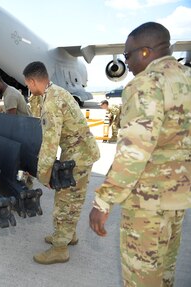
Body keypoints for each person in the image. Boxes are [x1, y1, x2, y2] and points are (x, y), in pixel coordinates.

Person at [89, 22, 191, 286]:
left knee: (142, 278)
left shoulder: (145, 84)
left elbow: (133, 153)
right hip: (178, 201)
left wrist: (103, 202)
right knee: (165, 273)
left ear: (145, 52)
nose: (128, 64)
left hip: (148, 205)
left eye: (128, 56)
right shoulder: (186, 79)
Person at [23, 61, 100, 264]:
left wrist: (43, 174)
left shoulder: (51, 103)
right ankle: (68, 235)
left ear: (32, 81)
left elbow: (50, 143)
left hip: (78, 157)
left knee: (65, 202)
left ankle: (60, 249)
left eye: (28, 85)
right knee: (72, 199)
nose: (28, 89)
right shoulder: (56, 91)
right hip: (80, 152)